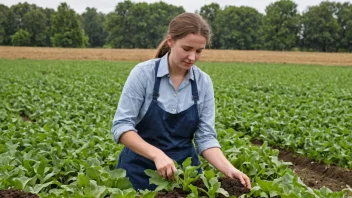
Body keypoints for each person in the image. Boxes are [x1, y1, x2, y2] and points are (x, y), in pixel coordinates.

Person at [111, 12, 251, 191]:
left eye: (199, 51)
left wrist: (229, 169)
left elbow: (205, 138)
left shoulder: (203, 83)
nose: (192, 57)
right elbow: (121, 127)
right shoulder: (143, 74)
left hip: (184, 177)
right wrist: (157, 154)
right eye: (187, 49)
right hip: (138, 174)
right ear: (170, 41)